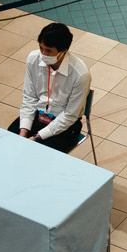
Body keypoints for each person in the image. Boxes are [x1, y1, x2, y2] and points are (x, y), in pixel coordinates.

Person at [10, 22, 89, 154]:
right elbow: (29, 97)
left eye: (48, 51)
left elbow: (70, 115)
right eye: (41, 48)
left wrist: (36, 137)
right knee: (10, 140)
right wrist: (23, 131)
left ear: (63, 51)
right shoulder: (33, 59)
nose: (43, 54)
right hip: (38, 113)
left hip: (65, 123)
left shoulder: (80, 75)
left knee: (39, 154)